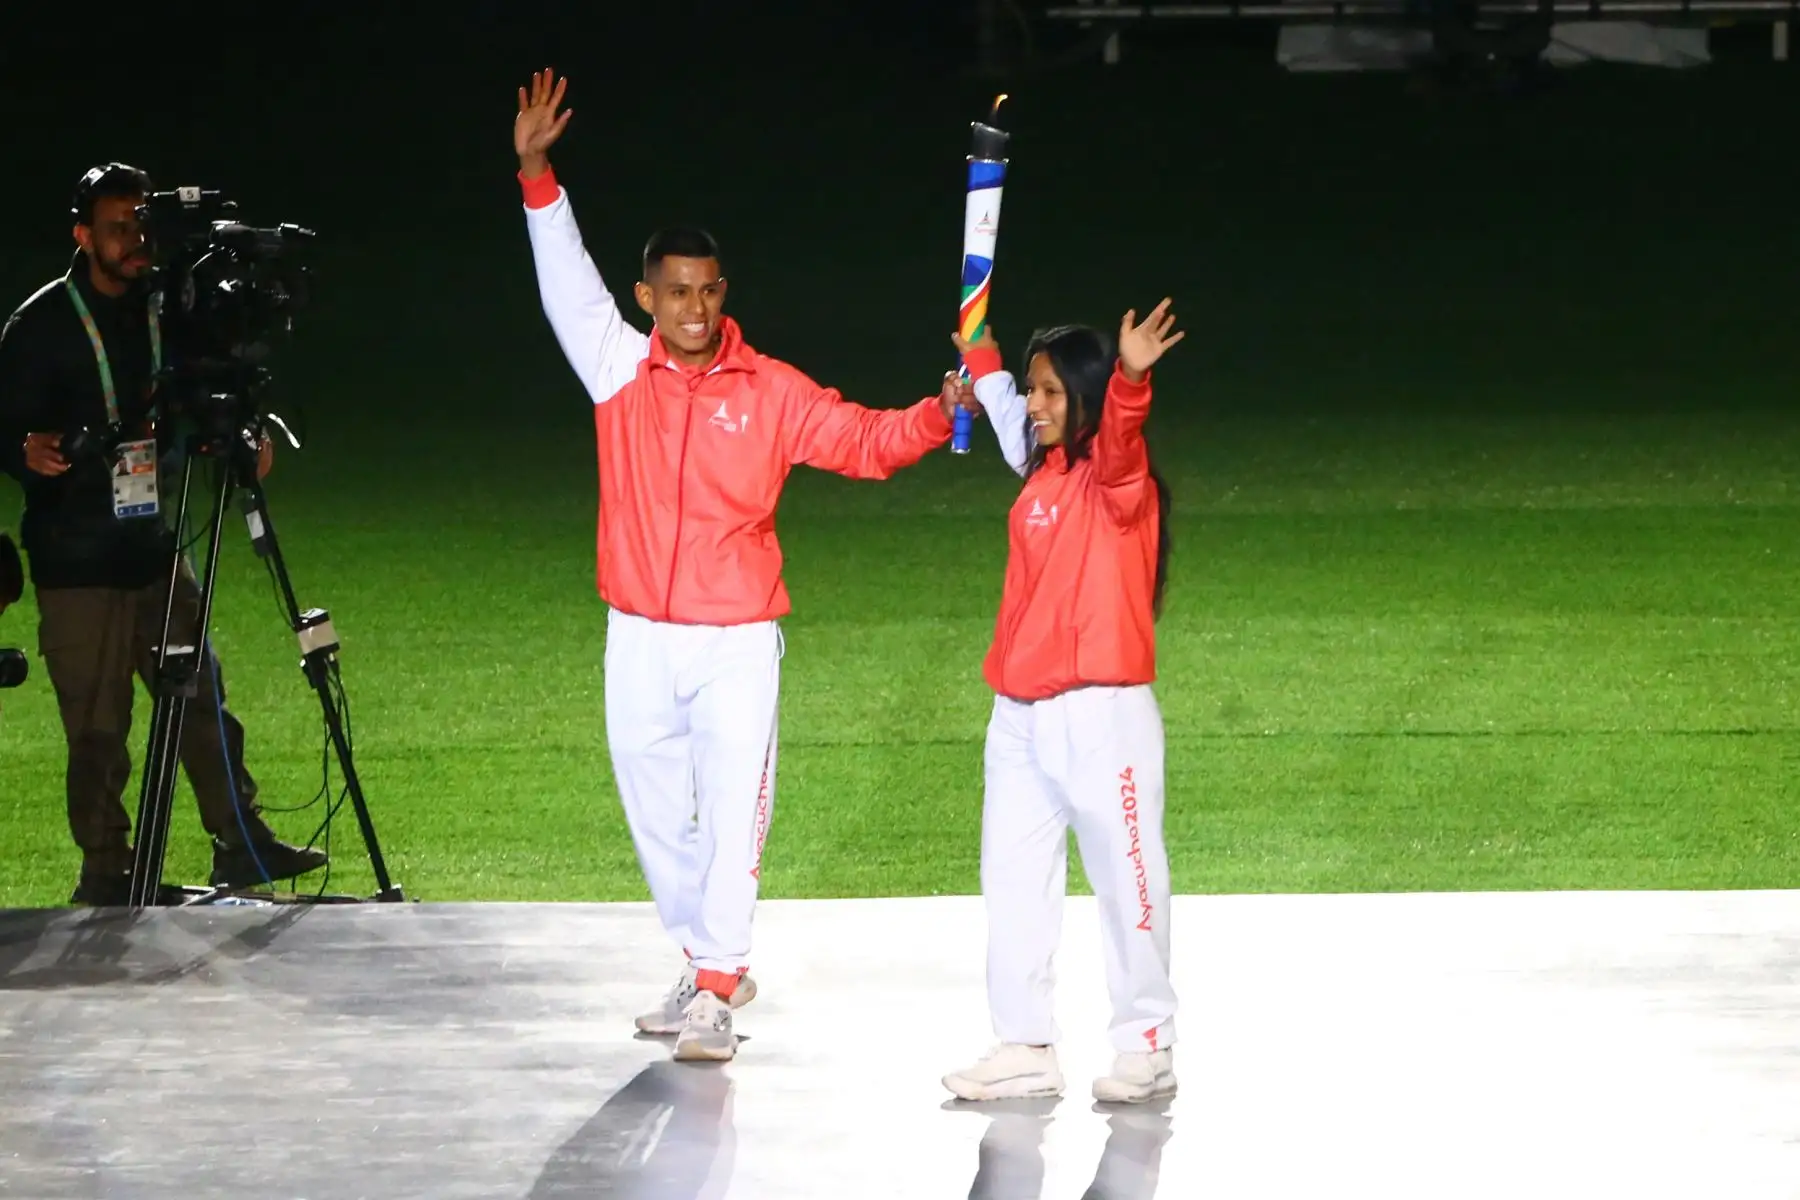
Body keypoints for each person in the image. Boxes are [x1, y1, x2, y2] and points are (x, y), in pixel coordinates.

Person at [512, 70, 978, 1062]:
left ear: (725, 292)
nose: (696, 307)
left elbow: (863, 440)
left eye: (711, 289)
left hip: (734, 639)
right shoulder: (615, 365)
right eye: (677, 292)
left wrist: (936, 415)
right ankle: (703, 958)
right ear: (647, 298)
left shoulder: (770, 389)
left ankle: (718, 985)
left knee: (730, 814)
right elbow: (564, 279)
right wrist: (536, 174)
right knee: (655, 816)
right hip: (637, 630)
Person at [0, 162, 327, 907]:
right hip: (77, 563)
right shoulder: (41, 325)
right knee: (98, 730)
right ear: (83, 236)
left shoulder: (168, 308)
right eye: (117, 228)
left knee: (201, 698)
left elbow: (210, 384)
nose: (134, 241)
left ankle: (240, 840)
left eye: (141, 225)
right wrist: (20, 449)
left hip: (153, 547)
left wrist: (244, 431)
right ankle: (107, 871)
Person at [939, 301, 1185, 1105]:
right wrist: (982, 354)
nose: (1036, 406)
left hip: (1101, 717)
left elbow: (1121, 434)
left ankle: (1146, 1044)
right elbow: (1005, 406)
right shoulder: (1041, 471)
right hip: (1019, 715)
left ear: (1085, 397)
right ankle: (1024, 1045)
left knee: (1127, 880)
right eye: (1033, 390)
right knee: (1012, 882)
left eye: (1051, 393)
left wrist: (1131, 377)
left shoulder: (1118, 482)